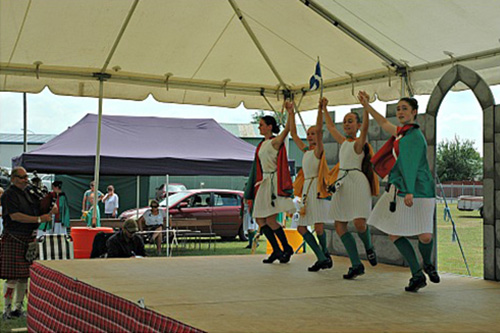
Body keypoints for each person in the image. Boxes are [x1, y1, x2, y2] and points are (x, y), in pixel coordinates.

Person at [360, 91, 439, 292]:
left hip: (417, 189)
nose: (400, 111)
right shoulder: (402, 133)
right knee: (394, 233)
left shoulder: (413, 136)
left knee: (425, 236)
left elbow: (410, 164)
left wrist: (410, 191)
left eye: (405, 108)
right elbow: (384, 123)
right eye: (398, 109)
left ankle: (427, 264)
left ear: (414, 112)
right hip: (400, 188)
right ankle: (417, 274)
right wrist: (367, 106)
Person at [323, 96, 380, 279]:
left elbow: (365, 129)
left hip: (357, 182)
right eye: (345, 122)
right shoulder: (343, 142)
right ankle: (356, 264)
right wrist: (324, 108)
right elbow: (331, 128)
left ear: (357, 125)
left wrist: (365, 107)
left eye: (350, 121)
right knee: (340, 226)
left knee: (359, 223)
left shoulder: (358, 143)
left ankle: (369, 246)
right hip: (342, 183)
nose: (346, 124)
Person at [244, 101, 296, 264]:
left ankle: (285, 248)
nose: (259, 127)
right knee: (260, 219)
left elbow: (287, 130)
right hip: (263, 183)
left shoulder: (274, 142)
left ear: (269, 126)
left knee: (271, 220)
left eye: (261, 125)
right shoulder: (261, 144)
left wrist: (290, 113)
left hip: (271, 184)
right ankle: (278, 250)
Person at [0, 167, 53, 320]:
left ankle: (18, 308)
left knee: (24, 276)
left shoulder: (29, 192)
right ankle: (7, 310)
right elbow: (15, 216)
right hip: (14, 237)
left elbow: (43, 207)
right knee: (12, 277)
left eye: (26, 177)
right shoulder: (9, 194)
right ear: (13, 178)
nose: (26, 180)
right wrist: (38, 219)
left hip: (29, 239)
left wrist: (49, 204)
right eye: (22, 177)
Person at [290, 98, 333, 272]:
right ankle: (324, 256)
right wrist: (291, 112)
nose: (309, 136)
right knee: (306, 226)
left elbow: (320, 130)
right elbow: (293, 134)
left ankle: (322, 257)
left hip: (317, 190)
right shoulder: (306, 151)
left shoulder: (318, 150)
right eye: (308, 133)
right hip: (308, 191)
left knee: (315, 225)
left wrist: (320, 110)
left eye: (313, 133)